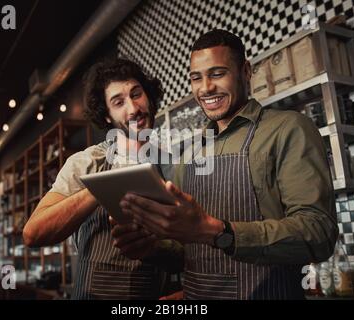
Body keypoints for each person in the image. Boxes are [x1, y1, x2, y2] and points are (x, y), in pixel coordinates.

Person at [113, 29, 338, 300]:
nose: (205, 87)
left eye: (217, 73)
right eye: (196, 78)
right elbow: (189, 251)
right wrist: (151, 249)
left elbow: (319, 233)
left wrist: (217, 231)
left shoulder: (287, 128)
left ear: (245, 71)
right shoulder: (190, 152)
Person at [23, 58, 182, 300]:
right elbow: (34, 233)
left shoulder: (174, 168)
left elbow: (191, 253)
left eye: (137, 94)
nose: (133, 108)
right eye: (118, 102)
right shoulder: (87, 162)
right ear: (106, 116)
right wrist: (102, 186)